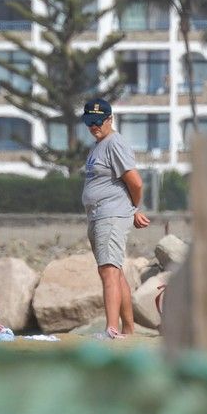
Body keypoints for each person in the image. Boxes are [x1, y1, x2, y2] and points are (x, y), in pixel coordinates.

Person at [80, 97, 150, 338]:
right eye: (89, 121)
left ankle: (111, 329)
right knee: (114, 271)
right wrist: (132, 210)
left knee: (109, 270)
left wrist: (133, 208)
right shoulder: (98, 145)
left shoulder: (114, 143)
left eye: (98, 121)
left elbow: (136, 182)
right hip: (99, 216)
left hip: (110, 214)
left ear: (110, 119)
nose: (94, 126)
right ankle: (128, 330)